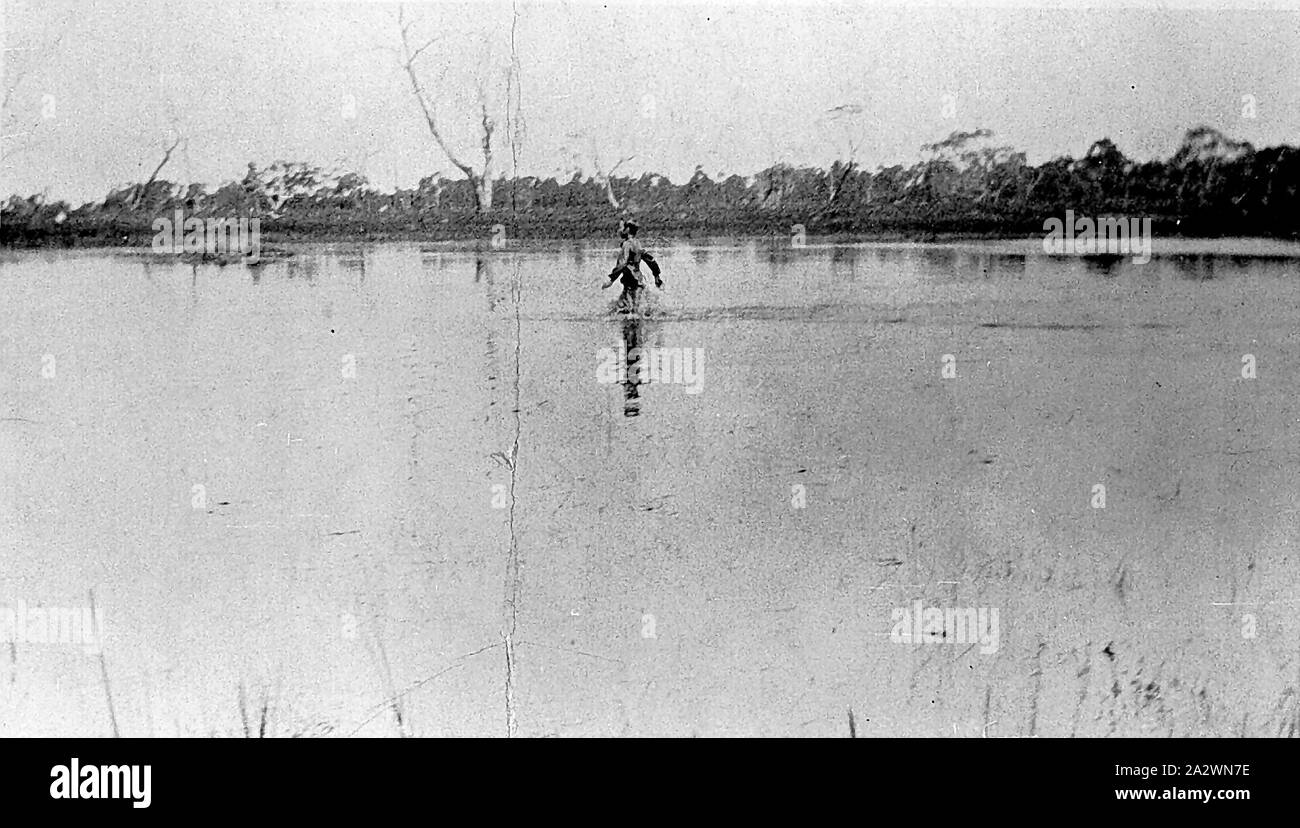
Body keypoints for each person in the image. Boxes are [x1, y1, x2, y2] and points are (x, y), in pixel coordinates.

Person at [601, 219, 662, 314]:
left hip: (634, 282)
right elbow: (651, 260)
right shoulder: (637, 243)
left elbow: (623, 263)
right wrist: (657, 277)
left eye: (622, 228)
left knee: (633, 312)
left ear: (628, 229)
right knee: (621, 309)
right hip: (635, 282)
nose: (619, 231)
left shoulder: (627, 244)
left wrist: (611, 280)